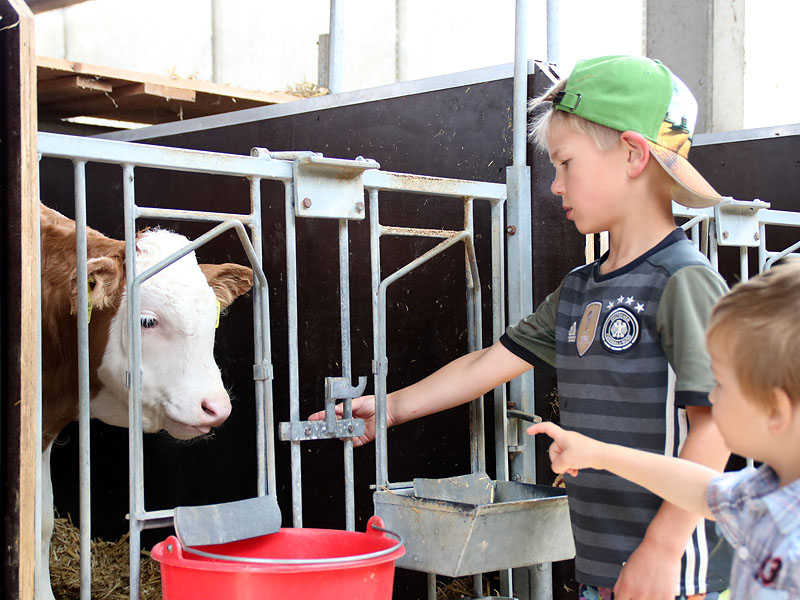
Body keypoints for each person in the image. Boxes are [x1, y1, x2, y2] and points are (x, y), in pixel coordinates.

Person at [310, 55, 732, 599]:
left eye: (565, 163)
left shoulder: (683, 280)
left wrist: (663, 549)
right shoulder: (583, 288)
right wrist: (391, 407)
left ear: (632, 154)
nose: (555, 185)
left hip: (674, 574)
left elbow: (716, 427)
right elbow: (491, 361)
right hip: (603, 566)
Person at [529, 260, 800, 599]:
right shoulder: (761, 491)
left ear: (776, 410)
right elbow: (698, 487)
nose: (711, 395)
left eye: (722, 385)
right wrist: (596, 453)